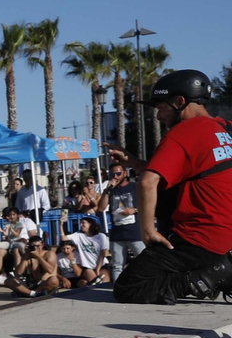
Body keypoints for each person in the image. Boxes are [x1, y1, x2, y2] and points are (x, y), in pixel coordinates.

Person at [111, 70, 232, 304]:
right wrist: (135, 163)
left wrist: (147, 233)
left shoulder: (185, 131)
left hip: (201, 237)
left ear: (180, 102)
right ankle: (224, 273)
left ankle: (204, 277)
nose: (158, 116)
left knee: (129, 287)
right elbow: (184, 173)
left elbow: (148, 182)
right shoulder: (224, 129)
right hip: (226, 237)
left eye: (161, 107)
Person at [97, 165, 145, 280]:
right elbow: (101, 207)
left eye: (118, 174)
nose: (116, 177)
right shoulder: (111, 190)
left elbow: (146, 203)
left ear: (125, 173)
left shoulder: (134, 187)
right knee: (117, 265)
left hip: (134, 231)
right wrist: (107, 190)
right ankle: (117, 290)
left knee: (143, 261)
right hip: (117, 232)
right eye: (113, 175)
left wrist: (134, 210)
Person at [0, 206, 38, 282]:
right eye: (10, 215)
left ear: (17, 215)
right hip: (10, 242)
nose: (11, 217)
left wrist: (11, 229)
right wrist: (1, 231)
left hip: (22, 242)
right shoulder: (7, 223)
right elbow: (6, 234)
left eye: (13, 214)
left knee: (17, 250)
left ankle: (19, 274)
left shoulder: (23, 223)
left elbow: (18, 234)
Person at [65, 215, 111, 282]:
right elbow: (64, 238)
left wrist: (98, 268)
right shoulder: (79, 235)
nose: (81, 225)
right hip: (88, 266)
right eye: (80, 223)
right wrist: (61, 224)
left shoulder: (101, 236)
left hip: (101, 265)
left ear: (90, 224)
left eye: (83, 223)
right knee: (94, 283)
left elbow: (102, 253)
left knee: (105, 283)